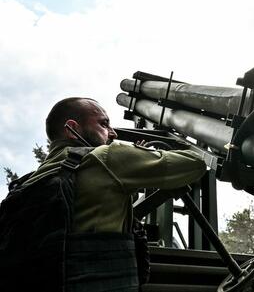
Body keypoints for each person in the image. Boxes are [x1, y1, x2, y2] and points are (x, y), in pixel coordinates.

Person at [0, 97, 206, 291]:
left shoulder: (29, 182)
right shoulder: (105, 158)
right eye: (104, 124)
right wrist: (140, 154)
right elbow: (195, 164)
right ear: (72, 129)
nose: (113, 133)